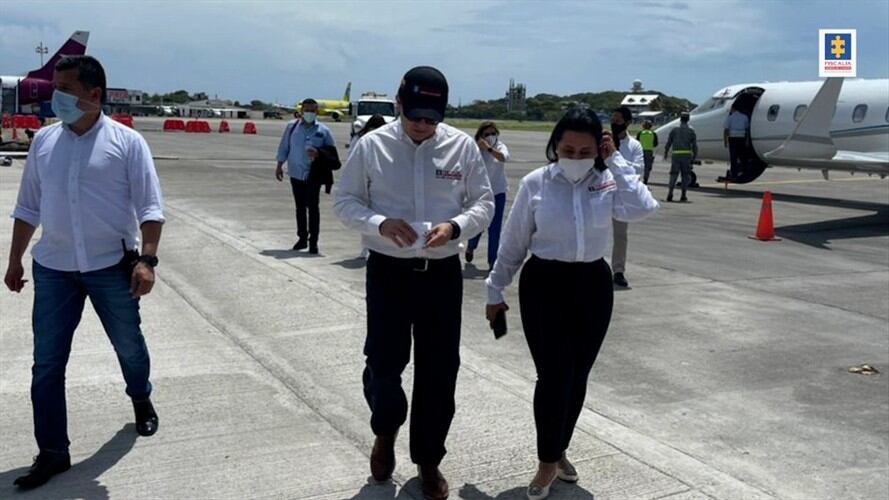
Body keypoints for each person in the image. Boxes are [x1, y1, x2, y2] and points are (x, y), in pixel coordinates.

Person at [3, 55, 165, 490]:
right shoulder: (44, 142)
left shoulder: (127, 144)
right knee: (46, 365)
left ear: (95, 95)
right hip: (53, 268)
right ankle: (53, 452)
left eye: (66, 91)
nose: (55, 99)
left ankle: (140, 398)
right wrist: (16, 258)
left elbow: (151, 209)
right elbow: (28, 207)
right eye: (55, 88)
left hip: (111, 267)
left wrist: (147, 261)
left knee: (129, 347)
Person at [334, 66, 493, 499]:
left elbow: (483, 203)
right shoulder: (372, 146)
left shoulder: (461, 147)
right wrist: (380, 223)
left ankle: (428, 459)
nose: (423, 126)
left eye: (432, 118)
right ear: (398, 103)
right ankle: (385, 431)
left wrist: (456, 227)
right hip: (388, 271)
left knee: (440, 371)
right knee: (383, 364)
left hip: (441, 274)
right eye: (415, 116)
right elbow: (344, 200)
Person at [485, 108, 658, 499]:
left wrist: (614, 161)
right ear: (555, 146)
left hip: (592, 285)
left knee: (577, 375)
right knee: (554, 376)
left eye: (585, 151)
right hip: (544, 283)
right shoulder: (536, 183)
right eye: (568, 149)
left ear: (599, 148)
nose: (576, 158)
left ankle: (558, 448)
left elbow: (645, 207)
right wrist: (495, 291)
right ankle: (547, 461)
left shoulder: (608, 181)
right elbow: (513, 243)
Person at [275, 99, 336, 254]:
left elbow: (332, 153)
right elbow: (284, 146)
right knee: (300, 208)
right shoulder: (292, 127)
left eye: (313, 110)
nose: (309, 113)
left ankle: (313, 241)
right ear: (301, 111)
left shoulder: (324, 130)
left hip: (313, 175)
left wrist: (319, 153)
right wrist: (279, 164)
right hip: (295, 173)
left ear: (317, 112)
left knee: (313, 208)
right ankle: (302, 238)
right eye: (307, 110)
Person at [465, 121, 510, 269]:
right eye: (487, 134)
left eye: (493, 133)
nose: (490, 137)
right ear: (480, 136)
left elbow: (504, 157)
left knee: (495, 228)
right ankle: (471, 246)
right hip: (481, 192)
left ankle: (492, 261)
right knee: (479, 224)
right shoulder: (474, 149)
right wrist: (480, 148)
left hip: (498, 192)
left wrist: (489, 149)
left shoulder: (499, 146)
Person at [609, 106, 644, 289]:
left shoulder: (634, 145)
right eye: (612, 119)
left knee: (620, 236)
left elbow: (638, 169)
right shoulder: (602, 141)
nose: (614, 123)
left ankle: (618, 271)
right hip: (600, 192)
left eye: (618, 120)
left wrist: (615, 157)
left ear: (628, 123)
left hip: (621, 196)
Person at [663, 111, 698, 202]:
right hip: (686, 156)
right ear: (688, 119)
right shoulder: (691, 130)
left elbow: (669, 142)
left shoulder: (674, 129)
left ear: (680, 119)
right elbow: (694, 145)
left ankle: (670, 193)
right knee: (685, 176)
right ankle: (683, 195)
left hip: (676, 155)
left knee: (673, 175)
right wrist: (694, 156)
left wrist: (666, 152)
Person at [723, 108, 750, 180]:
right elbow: (747, 129)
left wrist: (725, 141)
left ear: (733, 109)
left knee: (733, 157)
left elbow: (726, 130)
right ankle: (744, 172)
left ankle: (734, 174)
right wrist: (747, 140)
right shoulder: (744, 117)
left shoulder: (730, 117)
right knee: (742, 156)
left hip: (733, 138)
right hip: (742, 138)